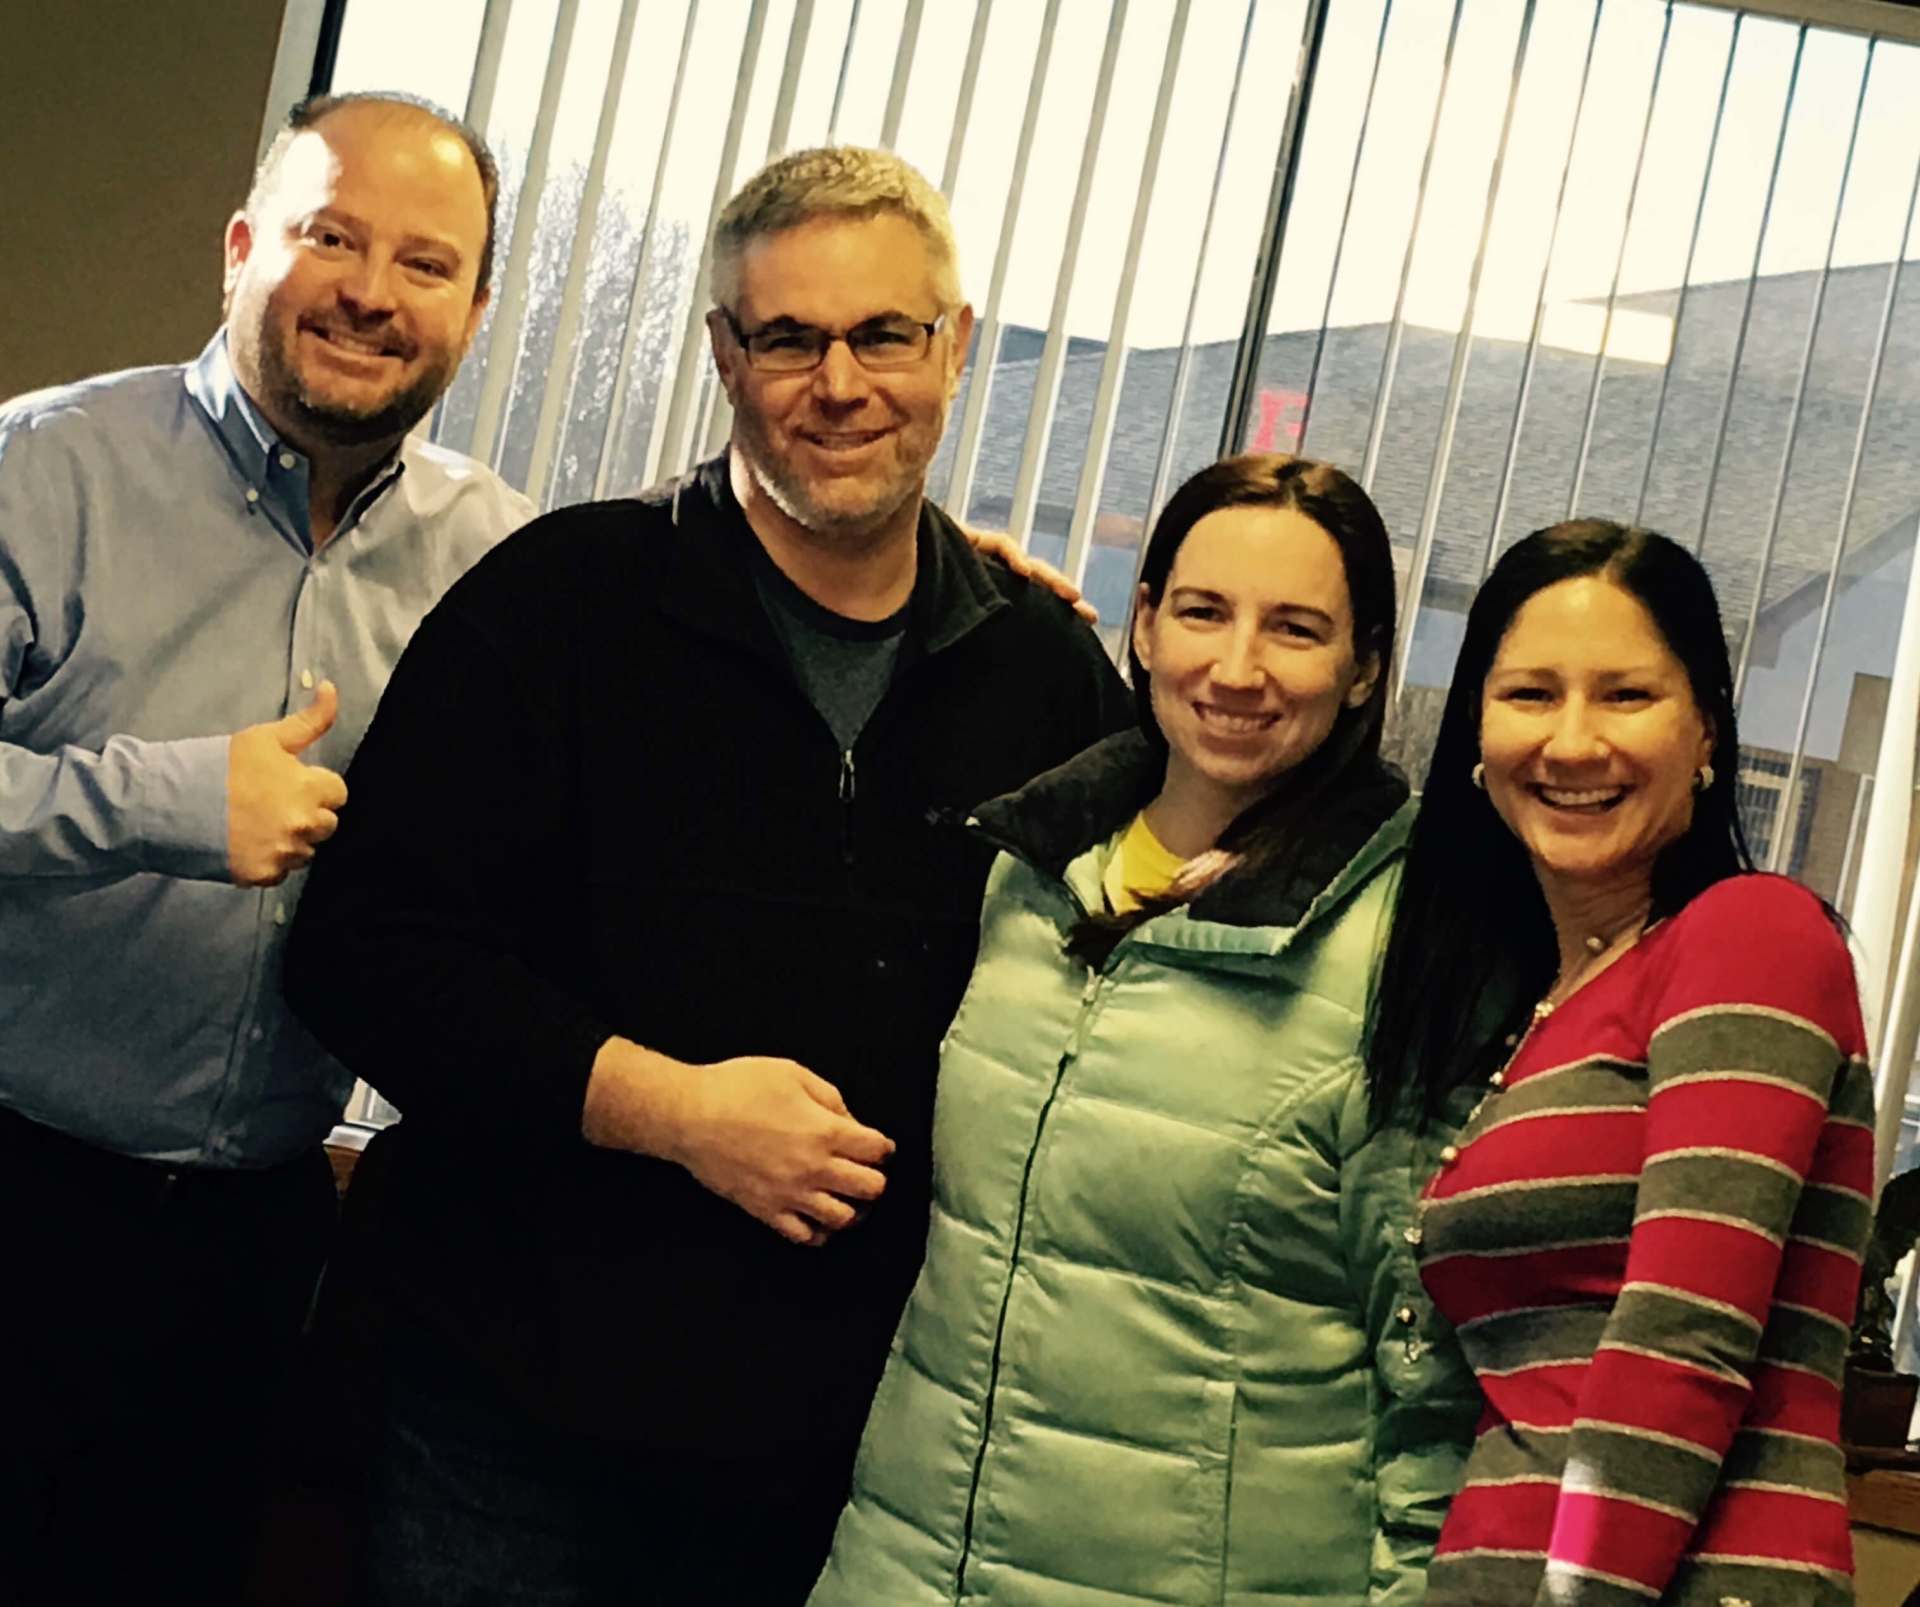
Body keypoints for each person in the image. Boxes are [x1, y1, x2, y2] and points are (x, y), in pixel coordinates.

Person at [283, 144, 1131, 1605]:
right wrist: (668, 1106)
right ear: (725, 356)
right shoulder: (560, 604)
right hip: (510, 1413)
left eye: (884, 335)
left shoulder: (1045, 675)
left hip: (847, 1444)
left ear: (956, 347)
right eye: (790, 336)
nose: (841, 381)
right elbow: (362, 950)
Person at [0, 91, 529, 1605]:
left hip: (255, 1243)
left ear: (475, 311)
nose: (371, 288)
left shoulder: (501, 556)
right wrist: (158, 801)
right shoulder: (43, 470)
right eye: (330, 235)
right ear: (243, 248)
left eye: (426, 263)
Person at [808, 453, 1482, 1607]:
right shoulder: (1026, 872)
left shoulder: (1416, 944)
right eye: (1204, 612)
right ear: (1145, 623)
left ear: (1367, 665)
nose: (1237, 667)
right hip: (904, 1561)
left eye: (1297, 628)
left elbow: (1438, 1394)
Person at [1366, 520, 1874, 1605]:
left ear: (1706, 732)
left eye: (1627, 695)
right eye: (1531, 693)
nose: (1573, 740)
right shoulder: (1543, 1011)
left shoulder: (1751, 935)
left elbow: (1683, 1342)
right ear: (1475, 730)